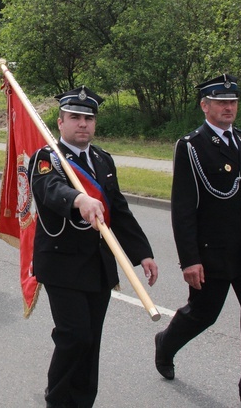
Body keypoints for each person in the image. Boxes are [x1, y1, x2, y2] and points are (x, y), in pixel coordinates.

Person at [154, 75, 241, 408]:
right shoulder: (191, 146)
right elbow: (182, 207)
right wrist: (190, 258)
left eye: (233, 102)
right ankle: (165, 344)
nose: (229, 107)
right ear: (205, 105)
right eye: (221, 102)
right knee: (202, 314)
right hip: (212, 252)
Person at [29, 86, 158, 408]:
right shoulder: (47, 158)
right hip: (61, 263)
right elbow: (49, 189)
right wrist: (78, 199)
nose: (83, 124)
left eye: (88, 118)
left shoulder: (103, 159)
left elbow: (120, 210)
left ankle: (83, 400)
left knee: (92, 340)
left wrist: (143, 253)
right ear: (60, 122)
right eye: (75, 117)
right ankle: (57, 400)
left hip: (98, 265)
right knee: (74, 335)